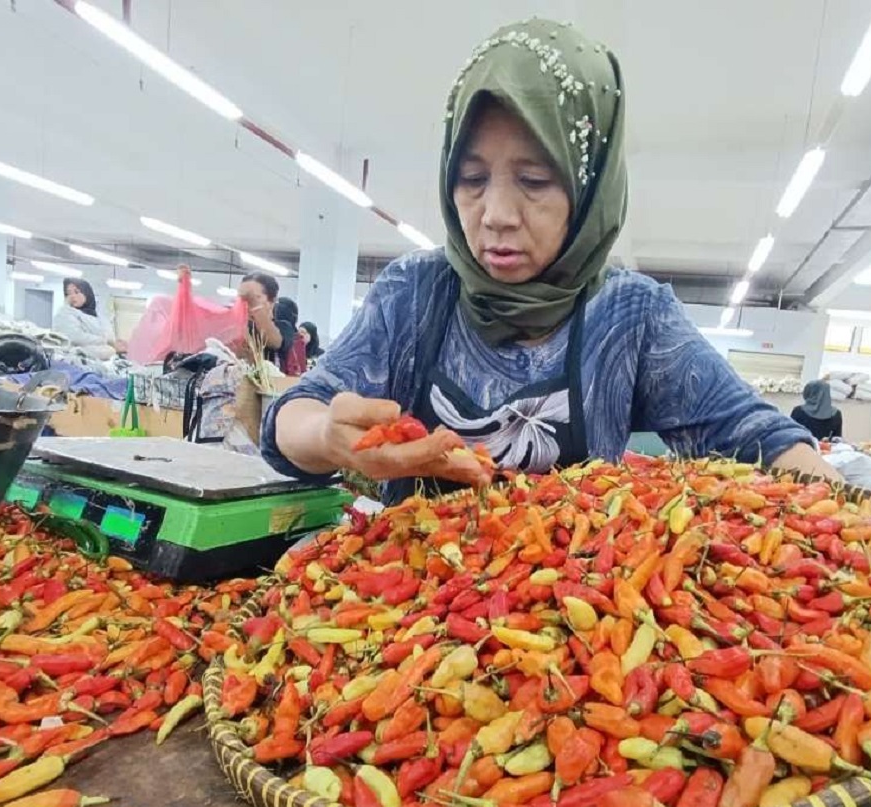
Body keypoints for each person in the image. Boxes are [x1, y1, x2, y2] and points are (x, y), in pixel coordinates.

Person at [263, 18, 838, 503]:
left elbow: (753, 435)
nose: (496, 214)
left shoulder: (632, 313)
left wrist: (866, 526)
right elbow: (297, 413)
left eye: (534, 181)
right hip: (415, 617)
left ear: (588, 191)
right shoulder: (415, 291)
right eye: (471, 179)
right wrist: (326, 436)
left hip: (576, 624)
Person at [242, 274, 307, 376]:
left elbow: (275, 342)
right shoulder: (239, 325)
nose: (247, 303)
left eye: (254, 297)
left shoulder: (284, 327)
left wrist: (257, 309)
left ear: (272, 301)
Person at [54, 278, 125, 359]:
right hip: (76, 360)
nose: (72, 296)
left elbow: (110, 335)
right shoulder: (64, 313)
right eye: (68, 294)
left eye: (77, 292)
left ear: (86, 293)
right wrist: (104, 341)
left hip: (103, 361)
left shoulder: (98, 315)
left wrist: (114, 344)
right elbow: (74, 337)